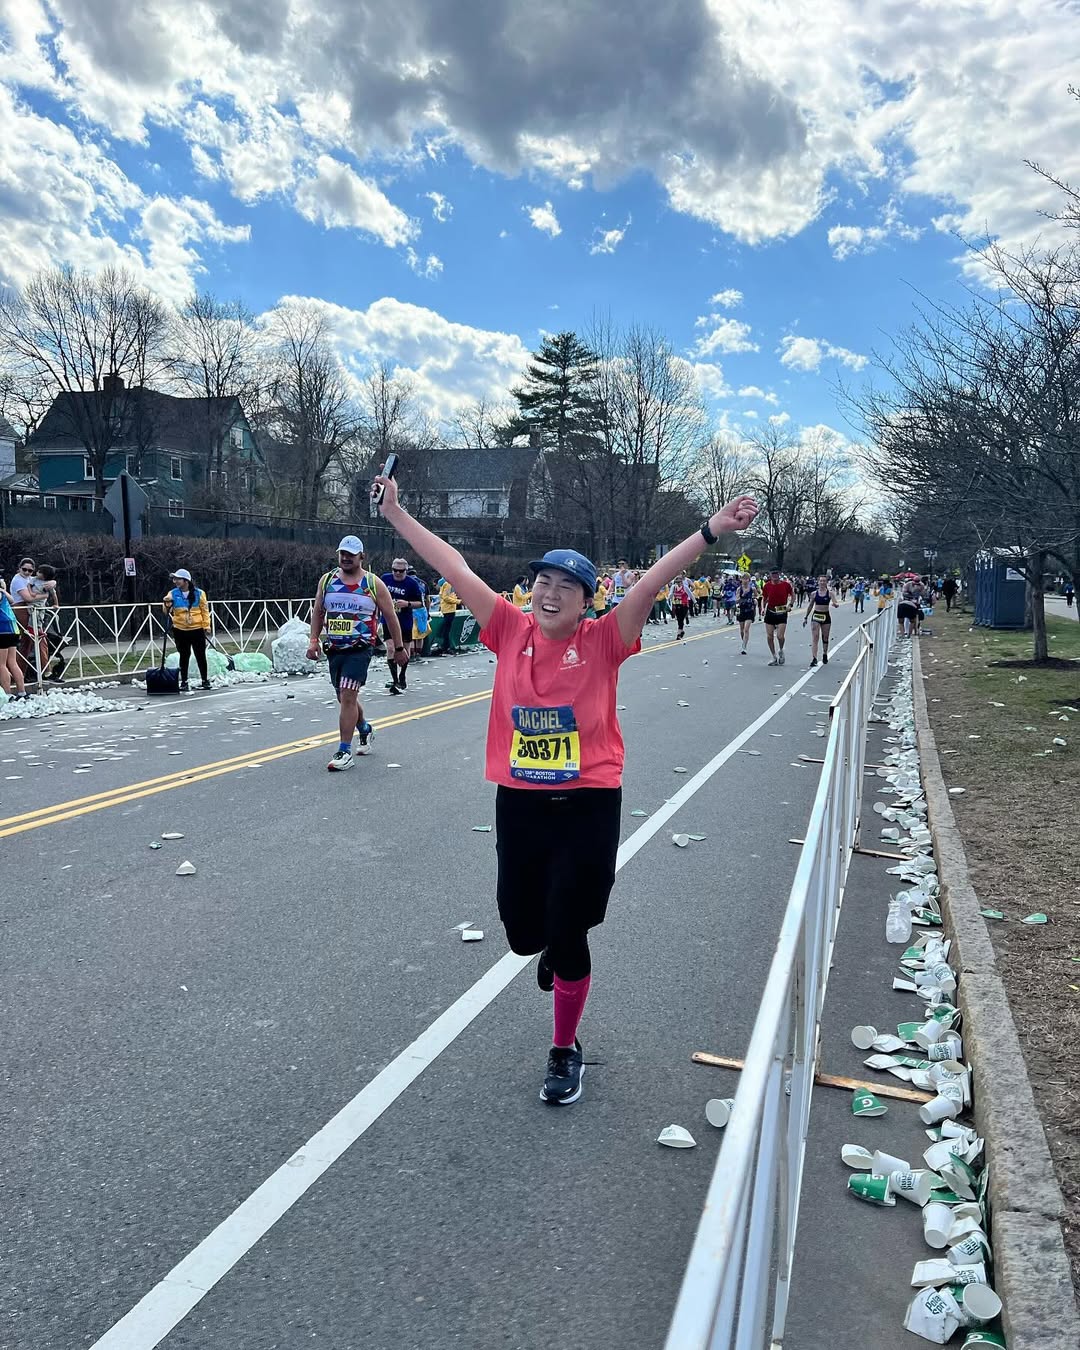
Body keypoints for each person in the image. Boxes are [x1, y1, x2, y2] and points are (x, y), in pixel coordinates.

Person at [374, 462, 757, 1105]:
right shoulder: (507, 628)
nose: (549, 593)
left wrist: (711, 530)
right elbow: (452, 566)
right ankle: (548, 947)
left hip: (588, 802)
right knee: (524, 934)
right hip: (521, 804)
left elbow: (654, 580)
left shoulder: (605, 639)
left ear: (586, 601)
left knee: (574, 923)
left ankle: (563, 1048)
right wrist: (395, 514)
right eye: (542, 582)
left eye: (566, 586)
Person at [306, 535, 407, 771]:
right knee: (343, 698)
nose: (345, 558)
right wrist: (313, 641)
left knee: (348, 695)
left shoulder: (372, 583)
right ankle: (364, 728)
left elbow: (390, 616)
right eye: (342, 553)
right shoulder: (327, 580)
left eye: (351, 555)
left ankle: (344, 751)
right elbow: (318, 612)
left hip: (360, 649)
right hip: (335, 649)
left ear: (362, 556)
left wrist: (399, 647)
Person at [163, 568, 212, 691]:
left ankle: (205, 680)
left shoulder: (199, 593)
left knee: (200, 655)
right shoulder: (172, 593)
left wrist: (206, 626)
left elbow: (205, 611)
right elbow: (166, 611)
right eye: (174, 579)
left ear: (186, 581)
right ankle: (184, 681)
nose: (175, 581)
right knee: (184, 655)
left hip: (197, 629)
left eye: (178, 579)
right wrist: (166, 604)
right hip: (180, 629)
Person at [381, 556, 425, 694]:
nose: (397, 573)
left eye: (401, 571)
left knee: (404, 649)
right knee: (391, 648)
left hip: (404, 620)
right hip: (388, 619)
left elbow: (420, 603)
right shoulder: (385, 579)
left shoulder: (412, 583)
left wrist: (407, 604)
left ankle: (402, 675)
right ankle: (395, 680)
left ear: (406, 570)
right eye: (395, 570)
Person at [0, 575, 27, 701]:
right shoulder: (4, 594)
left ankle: (7, 694)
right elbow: (12, 601)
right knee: (12, 662)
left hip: (2, 630)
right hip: (13, 629)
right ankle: (22, 692)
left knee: (1, 664)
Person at [803, 575, 840, 666]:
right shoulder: (814, 594)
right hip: (816, 616)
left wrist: (835, 605)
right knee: (815, 637)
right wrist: (806, 617)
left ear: (826, 582)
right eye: (821, 581)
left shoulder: (830, 593)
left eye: (824, 581)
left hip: (825, 616)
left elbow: (836, 602)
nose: (822, 582)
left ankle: (824, 653)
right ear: (818, 582)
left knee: (825, 637)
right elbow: (810, 606)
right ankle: (814, 658)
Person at [761, 567, 794, 666]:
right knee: (769, 636)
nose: (775, 575)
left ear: (779, 574)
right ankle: (774, 656)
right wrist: (762, 608)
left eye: (776, 573)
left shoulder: (786, 585)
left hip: (782, 612)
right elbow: (764, 598)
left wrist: (790, 605)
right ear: (770, 574)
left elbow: (793, 595)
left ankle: (781, 650)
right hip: (770, 611)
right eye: (773, 573)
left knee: (780, 636)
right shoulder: (767, 586)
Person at [433, 575, 460, 654]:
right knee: (446, 630)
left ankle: (444, 646)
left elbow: (445, 596)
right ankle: (445, 647)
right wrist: (458, 601)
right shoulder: (448, 584)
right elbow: (446, 597)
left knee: (446, 629)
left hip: (447, 609)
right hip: (449, 610)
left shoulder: (446, 584)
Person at [735, 573, 756, 655]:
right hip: (741, 610)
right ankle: (743, 641)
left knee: (746, 629)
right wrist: (742, 595)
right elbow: (736, 600)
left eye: (747, 579)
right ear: (741, 580)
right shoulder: (739, 589)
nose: (745, 580)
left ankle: (744, 647)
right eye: (744, 579)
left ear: (749, 580)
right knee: (742, 630)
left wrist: (755, 600)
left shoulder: (752, 589)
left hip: (749, 610)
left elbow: (756, 596)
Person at [670, 572, 692, 639]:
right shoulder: (674, 587)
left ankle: (679, 632)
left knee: (681, 619)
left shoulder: (685, 587)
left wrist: (695, 602)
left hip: (684, 605)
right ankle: (680, 632)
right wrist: (669, 597)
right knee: (679, 619)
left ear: (681, 582)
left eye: (679, 582)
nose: (678, 583)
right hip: (677, 604)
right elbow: (670, 594)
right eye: (677, 582)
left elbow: (691, 594)